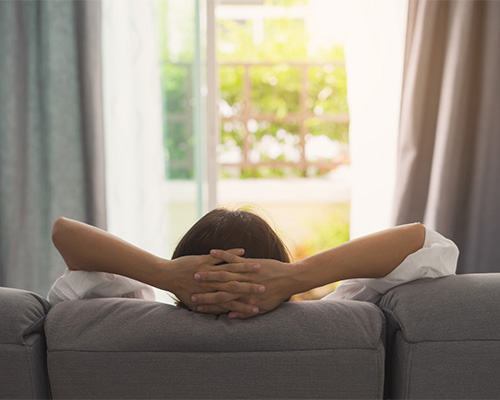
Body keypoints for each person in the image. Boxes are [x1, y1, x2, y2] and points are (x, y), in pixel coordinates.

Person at [48, 208, 459, 319]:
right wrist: (295, 278)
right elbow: (425, 244)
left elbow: (65, 234)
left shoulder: (121, 319)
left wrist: (163, 275)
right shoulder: (347, 322)